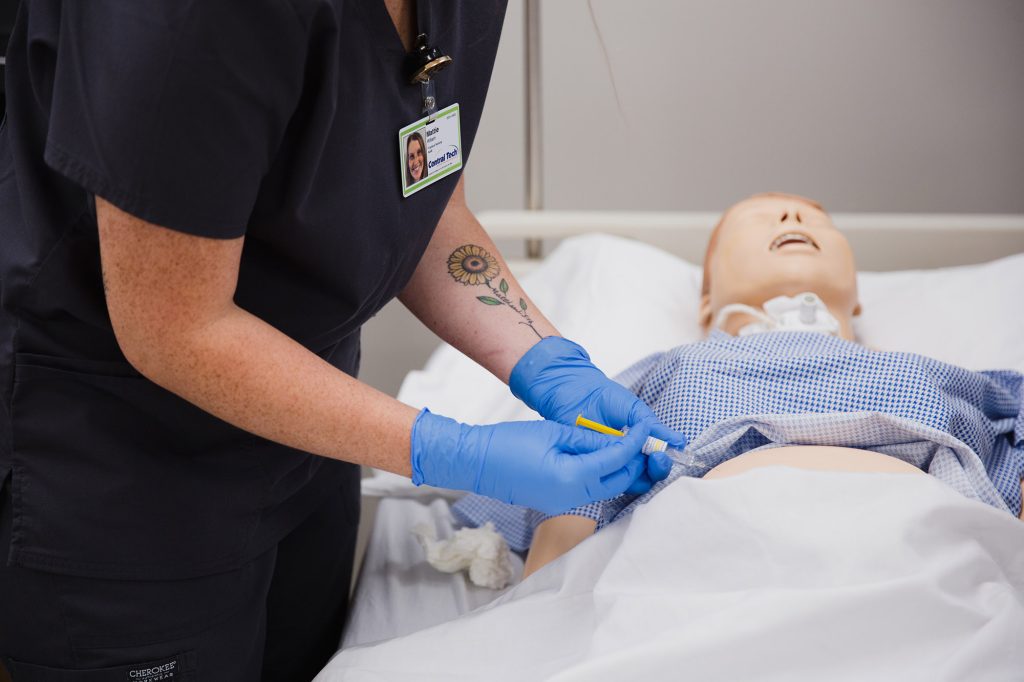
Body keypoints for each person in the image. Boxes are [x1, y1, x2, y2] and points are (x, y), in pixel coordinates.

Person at [0, 1, 681, 679]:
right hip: (120, 470)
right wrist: (455, 452)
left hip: (310, 426)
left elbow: (425, 194)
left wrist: (548, 361)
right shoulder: (186, 18)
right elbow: (175, 324)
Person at [452, 192, 1024, 579]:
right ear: (705, 299)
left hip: (917, 566)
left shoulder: (931, 375)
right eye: (760, 219)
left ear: (858, 295)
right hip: (709, 569)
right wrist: (549, 605)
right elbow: (575, 487)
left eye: (814, 217)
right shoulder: (672, 370)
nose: (793, 220)